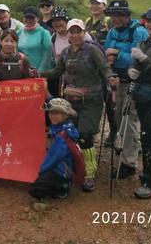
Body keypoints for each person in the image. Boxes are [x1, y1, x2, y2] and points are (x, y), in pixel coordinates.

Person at [41, 19, 118, 192]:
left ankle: (89, 174)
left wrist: (111, 78)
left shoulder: (93, 50)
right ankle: (76, 165)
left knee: (85, 136)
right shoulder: (66, 53)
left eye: (79, 31)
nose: (75, 35)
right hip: (72, 101)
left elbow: (105, 68)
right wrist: (38, 74)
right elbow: (57, 72)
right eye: (72, 32)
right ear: (68, 34)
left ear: (84, 33)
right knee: (71, 135)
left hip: (92, 101)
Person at [104, 0, 149, 179]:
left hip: (134, 82)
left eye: (120, 15)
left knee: (129, 120)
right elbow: (106, 52)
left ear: (128, 15)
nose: (115, 18)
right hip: (116, 81)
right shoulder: (112, 32)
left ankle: (129, 162)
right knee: (117, 118)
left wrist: (117, 54)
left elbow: (139, 58)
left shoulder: (139, 32)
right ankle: (129, 149)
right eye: (113, 15)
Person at [127, 7, 151, 198]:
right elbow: (136, 62)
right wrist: (132, 69)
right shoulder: (146, 42)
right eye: (148, 21)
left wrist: (145, 60)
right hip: (142, 95)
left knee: (148, 135)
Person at [29, 98, 79, 199]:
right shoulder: (62, 127)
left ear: (65, 115)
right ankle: (62, 183)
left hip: (61, 170)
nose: (52, 116)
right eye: (51, 113)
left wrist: (42, 170)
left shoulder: (62, 135)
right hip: (63, 167)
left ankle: (62, 187)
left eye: (57, 113)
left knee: (35, 190)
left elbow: (54, 157)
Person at [84, 0, 114, 148]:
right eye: (92, 3)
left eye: (98, 4)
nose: (95, 6)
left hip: (104, 64)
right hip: (90, 66)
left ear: (104, 6)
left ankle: (114, 131)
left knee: (109, 101)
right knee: (95, 100)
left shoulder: (108, 21)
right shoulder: (87, 21)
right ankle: (92, 129)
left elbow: (111, 39)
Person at [17, 7, 52, 74]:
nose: (29, 20)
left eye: (32, 18)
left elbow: (48, 54)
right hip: (23, 72)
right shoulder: (18, 33)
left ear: (37, 18)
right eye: (27, 17)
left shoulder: (44, 33)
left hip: (40, 72)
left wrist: (40, 71)